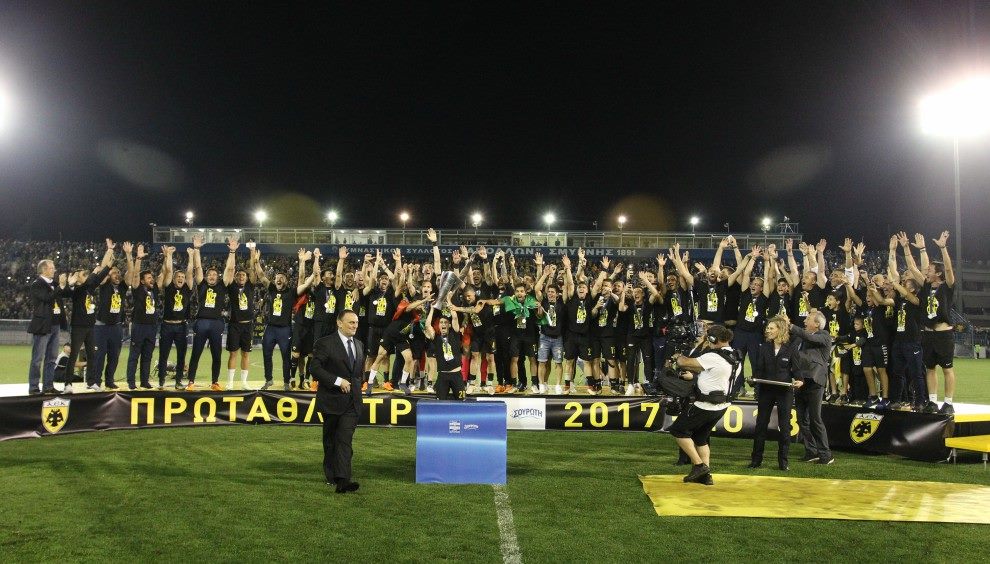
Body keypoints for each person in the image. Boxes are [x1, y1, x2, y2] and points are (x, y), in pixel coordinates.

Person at [667, 324, 737, 485]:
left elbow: (684, 363)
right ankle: (706, 476)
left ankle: (699, 466)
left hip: (705, 405)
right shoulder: (734, 355)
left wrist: (678, 356)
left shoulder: (713, 356)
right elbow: (713, 374)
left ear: (713, 339)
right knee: (700, 437)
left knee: (678, 430)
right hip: (721, 405)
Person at [309, 310, 364, 493]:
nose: (355, 326)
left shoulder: (359, 344)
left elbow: (357, 374)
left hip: (352, 403)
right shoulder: (325, 343)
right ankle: (332, 475)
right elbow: (315, 369)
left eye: (356, 322)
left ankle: (343, 480)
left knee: (344, 439)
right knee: (331, 440)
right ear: (339, 323)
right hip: (331, 401)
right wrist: (338, 381)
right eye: (351, 322)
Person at [749, 317, 800, 471]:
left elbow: (797, 370)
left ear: (780, 330)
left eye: (771, 328)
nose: (768, 330)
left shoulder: (791, 348)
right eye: (768, 328)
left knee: (784, 427)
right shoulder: (764, 347)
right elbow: (759, 370)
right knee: (761, 425)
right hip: (766, 390)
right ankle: (756, 460)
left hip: (784, 391)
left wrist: (800, 380)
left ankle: (783, 462)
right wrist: (753, 380)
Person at [65, 239, 115, 393]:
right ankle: (68, 384)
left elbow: (100, 276)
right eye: (82, 274)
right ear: (77, 278)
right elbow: (91, 279)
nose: (85, 275)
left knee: (92, 354)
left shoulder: (89, 287)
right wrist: (92, 273)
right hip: (78, 327)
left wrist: (109, 260)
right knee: (74, 354)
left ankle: (91, 382)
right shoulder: (77, 290)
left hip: (90, 327)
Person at [790, 309, 834, 465]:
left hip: (815, 382)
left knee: (815, 419)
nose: (804, 321)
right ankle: (811, 451)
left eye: (808, 319)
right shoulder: (800, 338)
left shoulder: (824, 336)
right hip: (800, 381)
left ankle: (826, 454)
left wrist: (791, 326)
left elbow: (808, 337)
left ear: (817, 324)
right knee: (802, 419)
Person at [27, 258, 67, 395]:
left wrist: (70, 284)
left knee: (52, 359)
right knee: (37, 359)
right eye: (51, 268)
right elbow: (47, 298)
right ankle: (33, 387)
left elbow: (65, 293)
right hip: (43, 326)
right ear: (44, 270)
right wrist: (60, 286)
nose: (54, 270)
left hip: (55, 325)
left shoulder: (54, 284)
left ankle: (48, 386)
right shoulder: (36, 284)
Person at [157, 245, 194, 389]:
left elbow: (190, 272)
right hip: (167, 325)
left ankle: (178, 380)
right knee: (163, 354)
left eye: (182, 277)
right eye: (178, 277)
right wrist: (169, 255)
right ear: (173, 279)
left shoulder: (187, 288)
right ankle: (161, 381)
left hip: (181, 326)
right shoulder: (169, 287)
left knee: (181, 355)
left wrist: (191, 256)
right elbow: (168, 271)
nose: (181, 278)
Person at [224, 238, 257, 390]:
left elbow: (252, 270)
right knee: (233, 354)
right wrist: (233, 251)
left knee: (246, 354)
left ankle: (244, 383)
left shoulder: (250, 286)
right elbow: (230, 270)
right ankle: (230, 383)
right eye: (239, 275)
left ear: (246, 278)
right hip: (234, 325)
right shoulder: (231, 287)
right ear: (236, 277)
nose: (242, 277)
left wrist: (252, 253)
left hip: (247, 325)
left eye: (243, 275)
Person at [124, 242, 157, 390]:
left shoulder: (153, 289)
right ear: (143, 281)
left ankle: (144, 381)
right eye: (148, 278)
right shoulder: (138, 289)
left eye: (151, 277)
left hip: (152, 327)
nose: (151, 279)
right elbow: (136, 275)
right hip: (139, 326)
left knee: (147, 356)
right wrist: (138, 258)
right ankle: (131, 382)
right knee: (134, 355)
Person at [423, 300, 465, 400]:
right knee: (440, 402)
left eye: (445, 322)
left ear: (449, 325)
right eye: (441, 322)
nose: (443, 324)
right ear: (438, 325)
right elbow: (427, 325)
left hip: (456, 375)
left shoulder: (455, 334)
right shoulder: (436, 337)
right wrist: (432, 309)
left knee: (462, 401)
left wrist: (449, 301)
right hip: (442, 376)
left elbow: (454, 317)